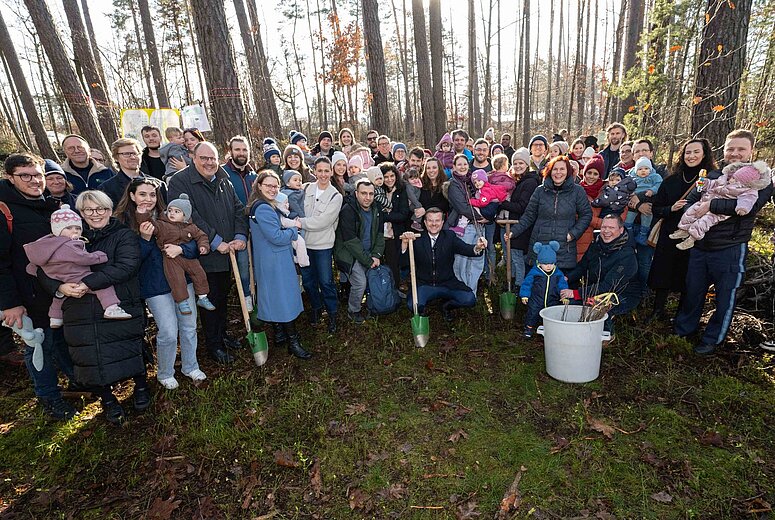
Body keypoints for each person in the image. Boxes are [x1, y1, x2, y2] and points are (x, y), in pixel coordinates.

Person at [36, 190, 148, 424]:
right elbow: (42, 268)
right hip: (79, 306)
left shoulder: (123, 235)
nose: (95, 214)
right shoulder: (66, 236)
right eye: (88, 210)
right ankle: (107, 399)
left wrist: (88, 282)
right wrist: (60, 287)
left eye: (101, 209)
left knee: (128, 346)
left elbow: (127, 265)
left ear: (110, 210)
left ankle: (140, 387)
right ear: (81, 213)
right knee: (89, 354)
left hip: (118, 300)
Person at [674, 130, 774, 355]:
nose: (735, 153)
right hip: (700, 244)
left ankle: (712, 339)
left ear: (751, 151)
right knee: (692, 290)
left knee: (725, 297)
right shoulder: (713, 175)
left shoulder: (760, 179)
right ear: (724, 150)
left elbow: (748, 209)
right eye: (731, 149)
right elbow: (693, 198)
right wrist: (694, 209)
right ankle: (683, 330)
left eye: (741, 149)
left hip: (730, 247)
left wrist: (710, 205)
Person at [1, 153, 76, 419]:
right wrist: (10, 303)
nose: (34, 181)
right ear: (10, 177)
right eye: (26, 175)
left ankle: (76, 381)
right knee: (39, 345)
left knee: (61, 339)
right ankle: (49, 397)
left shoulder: (48, 205)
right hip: (25, 295)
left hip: (54, 291)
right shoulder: (5, 210)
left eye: (38, 175)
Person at [115, 176, 206, 390]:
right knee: (168, 331)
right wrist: (145, 240)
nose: (148, 199)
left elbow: (194, 240)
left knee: (189, 326)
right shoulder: (123, 223)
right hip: (155, 286)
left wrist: (182, 249)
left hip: (182, 281)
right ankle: (165, 372)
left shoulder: (171, 214)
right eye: (142, 194)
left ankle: (190, 366)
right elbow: (130, 260)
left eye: (152, 194)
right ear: (132, 196)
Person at [167, 142, 248, 365]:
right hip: (203, 254)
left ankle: (222, 334)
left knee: (221, 295)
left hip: (227, 251)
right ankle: (214, 344)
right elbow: (188, 216)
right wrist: (215, 241)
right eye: (204, 158)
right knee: (209, 299)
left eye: (212, 158)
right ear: (193, 157)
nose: (209, 162)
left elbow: (238, 209)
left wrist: (240, 235)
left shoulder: (223, 179)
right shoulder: (180, 181)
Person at [24, 204, 132, 327]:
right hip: (76, 275)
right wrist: (99, 256)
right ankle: (111, 308)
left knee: (59, 298)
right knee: (103, 287)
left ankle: (55, 318)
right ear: (57, 230)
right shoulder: (69, 245)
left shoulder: (46, 245)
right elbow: (83, 258)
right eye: (69, 228)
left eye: (77, 228)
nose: (74, 231)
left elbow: (32, 267)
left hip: (57, 278)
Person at [647, 138, 717, 322]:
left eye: (696, 152)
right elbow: (656, 208)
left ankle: (682, 317)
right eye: (688, 152)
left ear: (704, 154)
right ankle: (658, 310)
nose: (691, 156)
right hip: (670, 232)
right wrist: (671, 209)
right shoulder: (672, 180)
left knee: (688, 276)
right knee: (663, 271)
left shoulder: (712, 180)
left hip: (696, 235)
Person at [246, 171, 310, 359]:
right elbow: (276, 237)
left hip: (269, 259)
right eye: (268, 185)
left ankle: (280, 334)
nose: (273, 189)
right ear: (259, 186)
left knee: (275, 297)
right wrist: (293, 231)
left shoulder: (263, 205)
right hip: (276, 261)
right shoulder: (264, 208)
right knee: (284, 300)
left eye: (275, 186)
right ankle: (293, 342)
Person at [506, 155, 593, 271]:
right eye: (555, 169)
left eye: (562, 169)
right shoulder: (540, 191)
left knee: (561, 281)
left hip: (564, 248)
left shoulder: (577, 191)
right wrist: (513, 232)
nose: (558, 172)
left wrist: (573, 234)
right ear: (550, 171)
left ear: (568, 171)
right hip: (540, 246)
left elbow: (586, 215)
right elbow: (529, 215)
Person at [400, 208, 487, 322]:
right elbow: (403, 262)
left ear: (442, 222)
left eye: (437, 220)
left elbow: (467, 249)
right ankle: (423, 310)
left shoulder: (449, 237)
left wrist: (478, 247)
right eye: (430, 220)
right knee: (413, 305)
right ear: (425, 222)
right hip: (424, 284)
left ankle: (446, 306)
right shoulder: (417, 239)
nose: (434, 224)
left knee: (469, 299)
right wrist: (405, 244)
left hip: (448, 283)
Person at [135, 193, 216, 314]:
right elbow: (150, 225)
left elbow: (202, 236)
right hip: (171, 258)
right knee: (177, 279)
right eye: (170, 210)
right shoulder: (162, 225)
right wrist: (142, 214)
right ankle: (182, 301)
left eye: (177, 211)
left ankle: (203, 297)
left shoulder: (192, 227)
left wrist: (203, 246)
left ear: (185, 215)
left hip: (187, 257)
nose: (172, 213)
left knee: (199, 274)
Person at [562, 215, 641, 336]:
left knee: (598, 308)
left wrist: (576, 293)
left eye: (611, 228)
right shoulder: (596, 244)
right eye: (604, 227)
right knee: (567, 302)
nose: (606, 231)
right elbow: (582, 266)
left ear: (621, 230)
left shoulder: (627, 255)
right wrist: (567, 278)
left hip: (621, 294)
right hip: (595, 288)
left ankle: (605, 336)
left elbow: (608, 286)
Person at [670, 161, 771, 250]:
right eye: (733, 177)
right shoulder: (723, 179)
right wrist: (704, 183)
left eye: (736, 180)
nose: (732, 180)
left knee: (703, 222)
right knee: (690, 212)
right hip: (704, 201)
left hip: (718, 214)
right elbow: (712, 184)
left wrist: (742, 208)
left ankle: (691, 239)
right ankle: (683, 230)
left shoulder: (748, 190)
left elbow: (748, 200)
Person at [297, 157, 344, 333]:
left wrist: (299, 222)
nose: (323, 174)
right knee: (308, 281)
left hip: (323, 245)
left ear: (331, 172)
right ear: (314, 171)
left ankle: (332, 313)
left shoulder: (335, 196)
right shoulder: (306, 188)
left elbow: (324, 221)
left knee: (326, 281)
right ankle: (316, 308)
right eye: (320, 170)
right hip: (304, 244)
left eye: (326, 171)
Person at [335, 179, 385, 324]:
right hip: (349, 254)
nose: (367, 197)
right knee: (360, 283)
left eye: (371, 194)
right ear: (356, 193)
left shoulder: (377, 209)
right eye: (363, 193)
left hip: (369, 252)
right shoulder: (348, 210)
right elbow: (351, 242)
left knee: (373, 278)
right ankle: (353, 310)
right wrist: (368, 261)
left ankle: (372, 305)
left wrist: (376, 255)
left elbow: (380, 235)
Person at [222, 136, 257, 311]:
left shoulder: (254, 176)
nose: (241, 153)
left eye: (244, 150)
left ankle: (258, 295)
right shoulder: (222, 173)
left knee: (257, 265)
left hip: (256, 227)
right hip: (236, 229)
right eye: (237, 149)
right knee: (243, 266)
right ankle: (246, 297)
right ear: (230, 152)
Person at [446, 154, 486, 291]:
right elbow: (462, 207)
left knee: (476, 263)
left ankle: (471, 293)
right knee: (461, 263)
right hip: (464, 228)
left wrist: (487, 216)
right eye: (459, 164)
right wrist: (481, 217)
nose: (462, 167)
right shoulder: (453, 184)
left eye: (465, 164)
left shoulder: (473, 181)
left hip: (479, 227)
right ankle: (461, 294)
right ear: (454, 167)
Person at [499, 147, 539, 287]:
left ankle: (519, 287)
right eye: (515, 163)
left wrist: (502, 203)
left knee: (517, 259)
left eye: (521, 163)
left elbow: (523, 207)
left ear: (527, 164)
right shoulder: (521, 181)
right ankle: (518, 284)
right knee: (516, 258)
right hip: (517, 226)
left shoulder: (530, 182)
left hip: (521, 227)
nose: (518, 166)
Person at [519, 241, 568, 338]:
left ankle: (549, 329)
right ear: (539, 263)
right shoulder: (535, 272)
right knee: (533, 313)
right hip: (536, 299)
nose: (548, 266)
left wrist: (564, 296)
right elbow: (527, 284)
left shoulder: (558, 274)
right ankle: (529, 328)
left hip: (552, 299)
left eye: (551, 263)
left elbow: (562, 285)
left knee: (551, 314)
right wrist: (525, 295)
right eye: (545, 264)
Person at [100, 138, 164, 207]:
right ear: (116, 158)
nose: (133, 157)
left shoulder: (158, 185)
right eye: (126, 154)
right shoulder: (106, 188)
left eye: (135, 153)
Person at [380, 163, 411, 287]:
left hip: (394, 233)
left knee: (394, 263)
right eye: (386, 177)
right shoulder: (378, 191)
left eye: (392, 176)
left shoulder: (401, 190)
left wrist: (384, 216)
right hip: (379, 234)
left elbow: (403, 214)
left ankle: (396, 288)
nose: (389, 179)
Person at [624, 157, 663, 245]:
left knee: (647, 216)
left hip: (648, 199)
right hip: (633, 201)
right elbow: (625, 187)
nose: (643, 171)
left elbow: (659, 184)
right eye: (640, 169)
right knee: (629, 217)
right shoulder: (631, 177)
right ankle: (628, 232)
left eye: (646, 168)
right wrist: (630, 193)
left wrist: (652, 190)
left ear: (650, 169)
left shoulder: (654, 177)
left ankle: (642, 234)